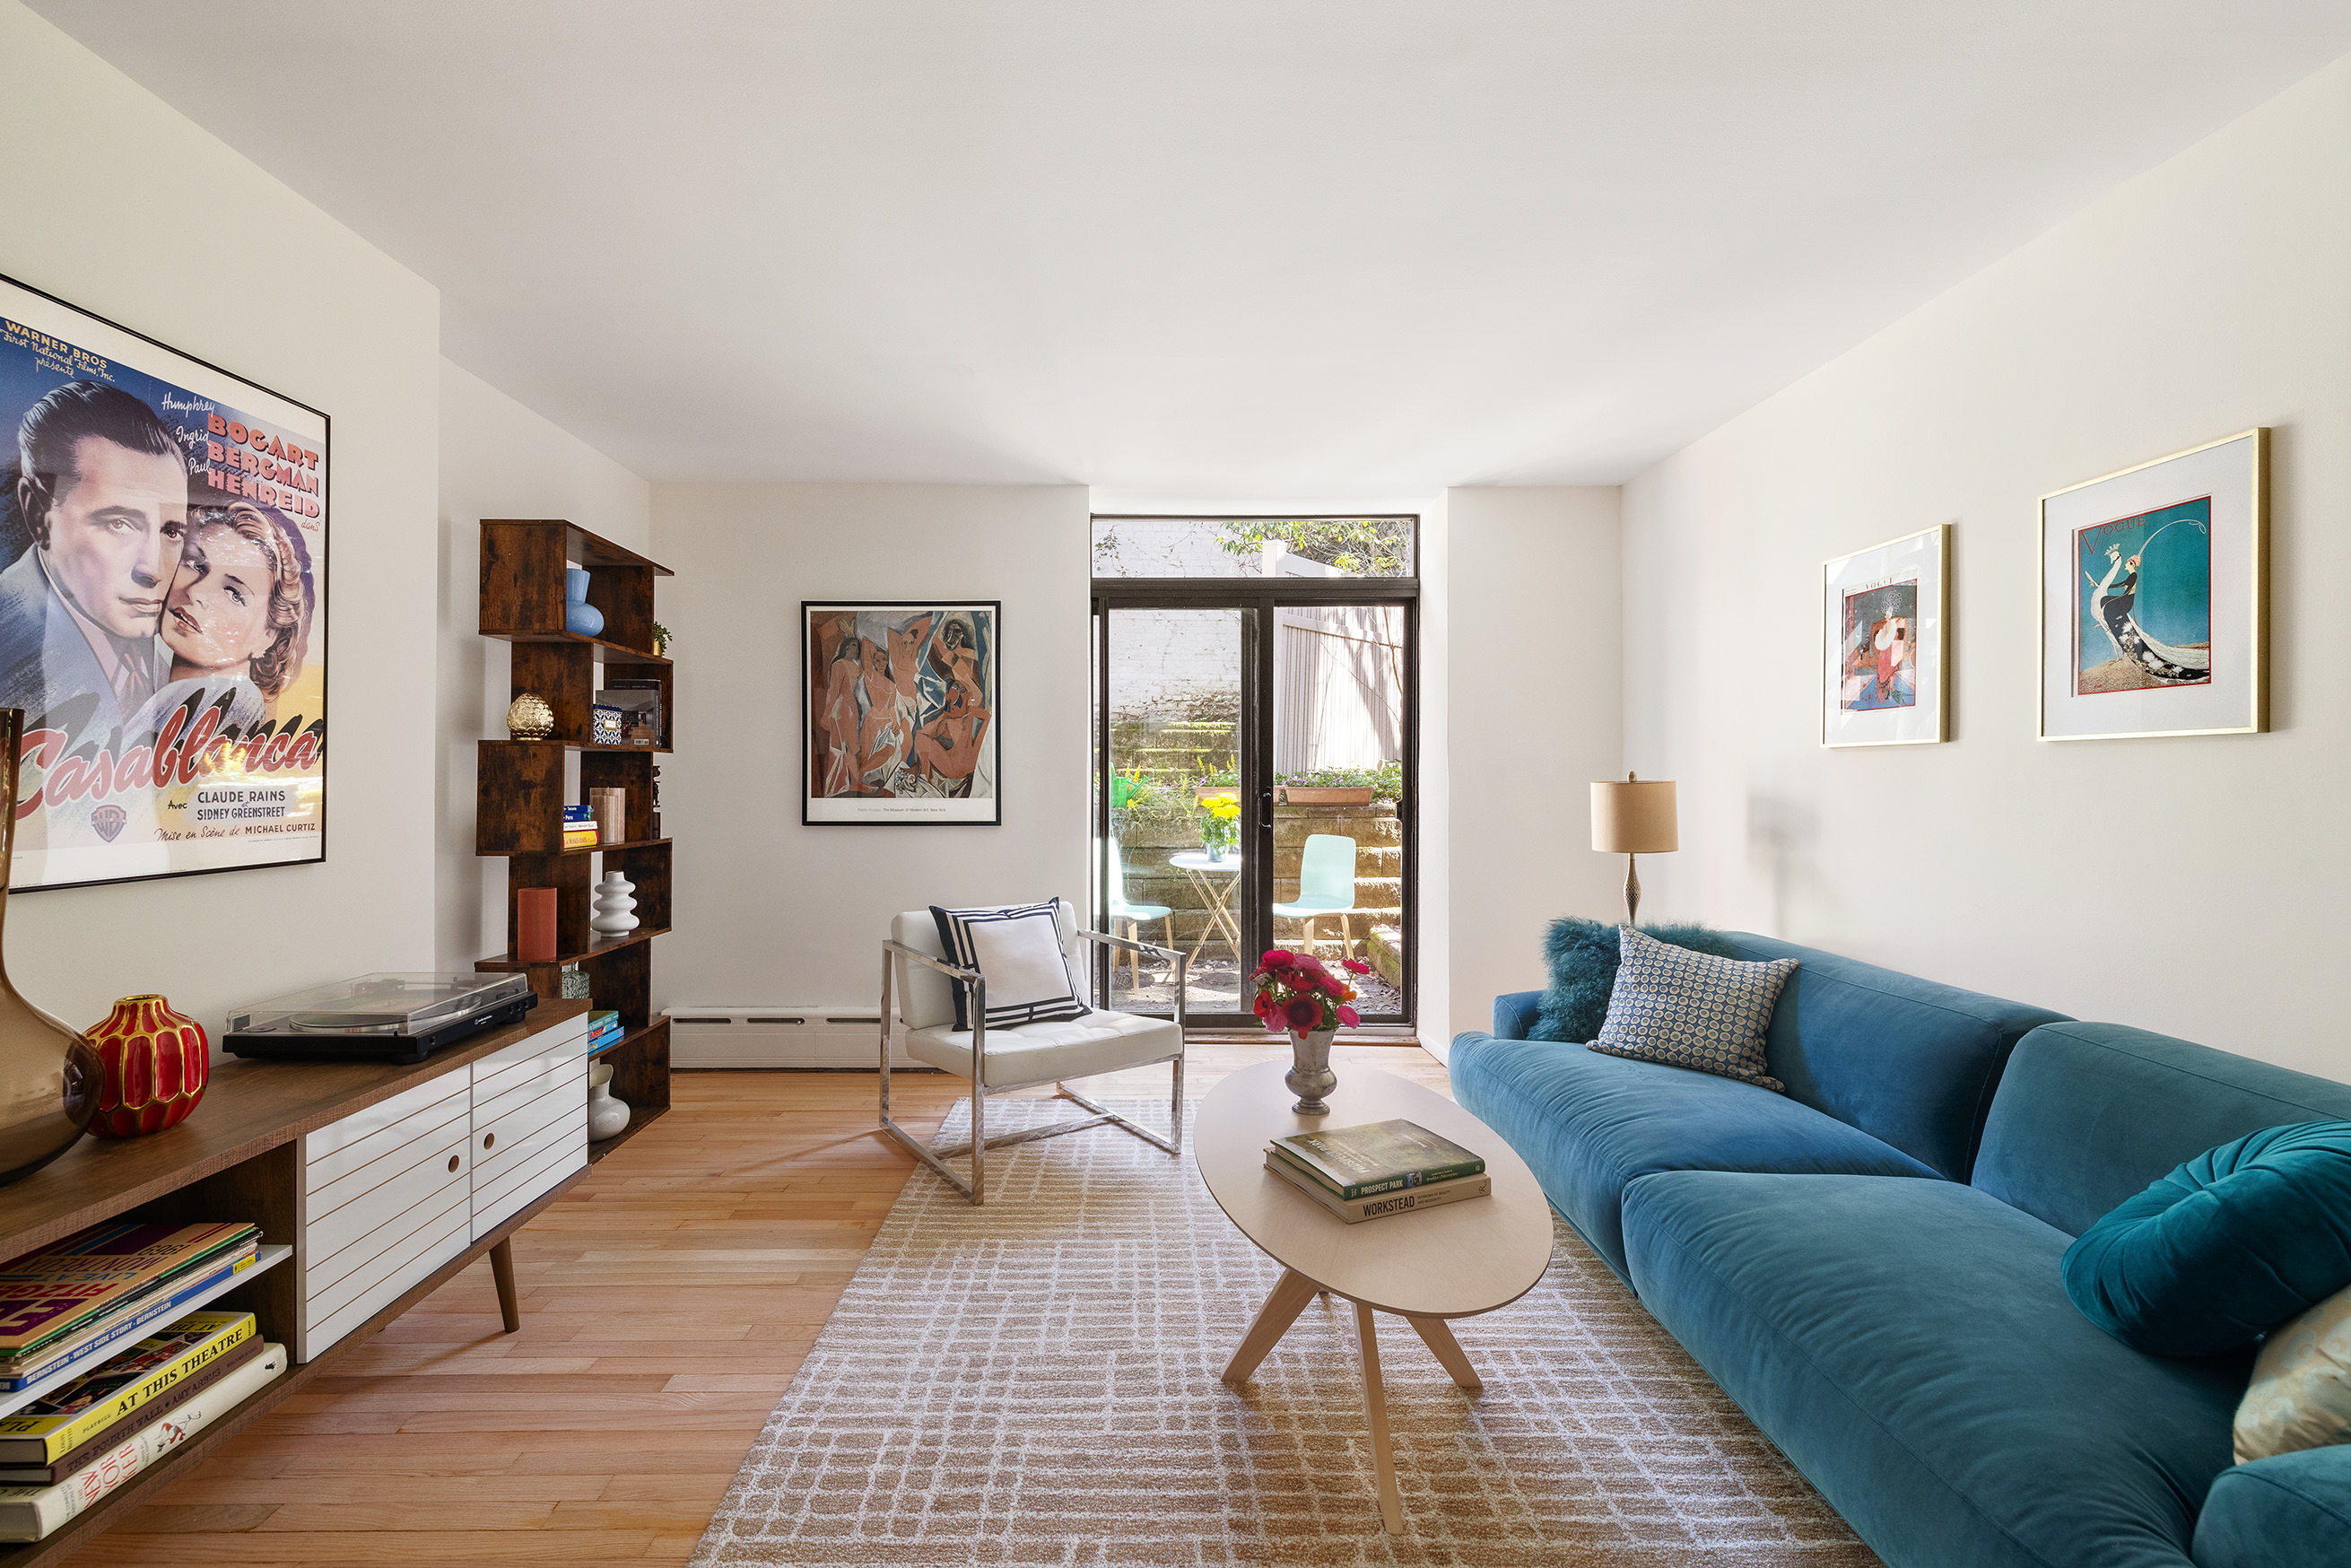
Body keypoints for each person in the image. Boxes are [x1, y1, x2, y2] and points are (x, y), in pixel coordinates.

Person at [0, 381, 187, 745]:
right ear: (39, 514)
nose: (154, 569)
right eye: (118, 523)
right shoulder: (9, 642)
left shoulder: (174, 652)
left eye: (171, 531)